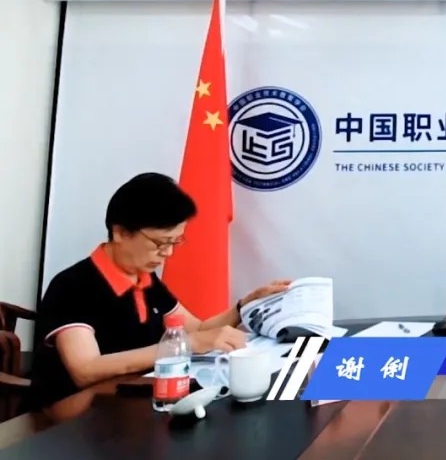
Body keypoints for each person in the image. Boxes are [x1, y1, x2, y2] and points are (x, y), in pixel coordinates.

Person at [27, 172, 290, 412]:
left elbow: (197, 329)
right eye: (160, 243)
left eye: (175, 241)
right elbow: (85, 369)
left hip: (132, 405)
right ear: (120, 232)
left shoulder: (145, 279)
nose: (168, 253)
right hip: (73, 418)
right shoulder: (73, 286)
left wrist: (245, 306)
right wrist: (185, 346)